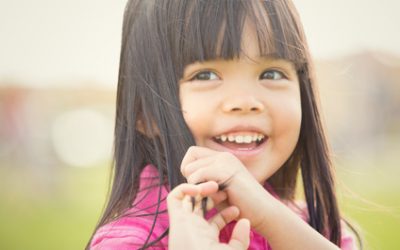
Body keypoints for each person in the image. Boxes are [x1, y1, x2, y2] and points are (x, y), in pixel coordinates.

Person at [87, 0, 360, 249]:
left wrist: (270, 218)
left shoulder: (317, 230)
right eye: (205, 75)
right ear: (144, 114)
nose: (245, 102)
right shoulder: (128, 243)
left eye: (272, 73)